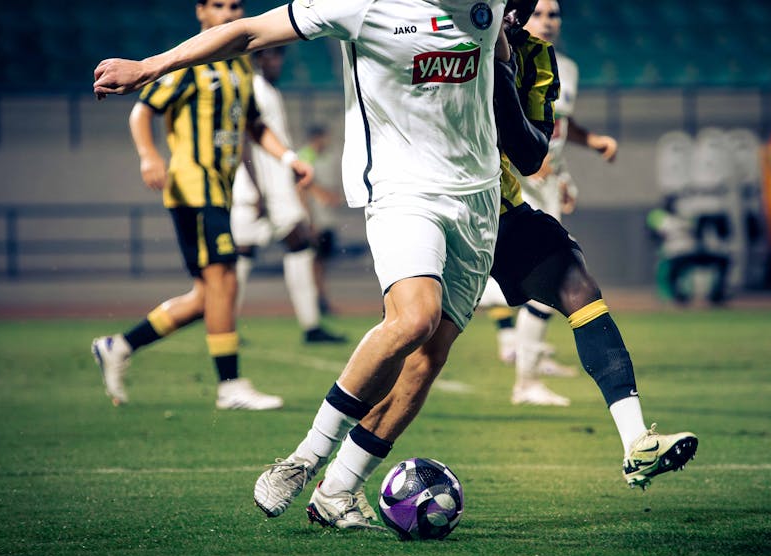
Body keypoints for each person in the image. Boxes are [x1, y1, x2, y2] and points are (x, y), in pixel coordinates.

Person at [250, 0, 698, 531]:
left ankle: (636, 441)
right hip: (422, 201)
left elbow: (532, 152)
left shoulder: (534, 57)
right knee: (416, 336)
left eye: (538, 8)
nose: (527, 12)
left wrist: (502, 67)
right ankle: (315, 463)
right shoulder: (438, 24)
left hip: (495, 208)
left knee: (569, 286)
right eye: (526, 6)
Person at [93, 0, 508, 528]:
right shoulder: (363, 6)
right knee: (414, 318)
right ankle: (304, 458)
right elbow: (246, 32)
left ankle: (338, 489)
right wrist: (152, 66)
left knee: (430, 357)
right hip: (404, 190)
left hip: (479, 195)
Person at [91, 0, 314, 410]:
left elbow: (253, 125)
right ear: (201, 12)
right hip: (194, 188)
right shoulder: (190, 63)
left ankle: (119, 345)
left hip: (219, 191)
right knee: (225, 281)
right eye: (219, 6)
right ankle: (230, 386)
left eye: (235, 6)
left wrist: (288, 159)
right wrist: (149, 155)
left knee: (207, 296)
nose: (229, 14)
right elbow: (143, 112)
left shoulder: (241, 66)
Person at [480, 0, 621, 407]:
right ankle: (525, 376)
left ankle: (526, 367)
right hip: (512, 179)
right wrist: (527, 163)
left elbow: (556, 124)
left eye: (553, 14)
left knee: (550, 280)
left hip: (546, 180)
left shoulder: (563, 65)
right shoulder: (491, 50)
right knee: (556, 276)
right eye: (538, 13)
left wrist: (578, 157)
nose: (546, 20)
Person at [230, 47, 345, 343]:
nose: (276, 62)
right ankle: (226, 326)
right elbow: (245, 137)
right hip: (259, 190)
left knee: (297, 245)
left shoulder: (269, 90)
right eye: (270, 56)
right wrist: (255, 188)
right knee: (243, 254)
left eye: (279, 56)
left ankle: (311, 325)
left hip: (274, 188)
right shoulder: (255, 88)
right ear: (258, 60)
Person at [297, 125, 345, 316]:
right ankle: (316, 301)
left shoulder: (329, 155)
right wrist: (310, 219)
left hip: (326, 218)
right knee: (313, 262)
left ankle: (321, 298)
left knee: (321, 262)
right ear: (316, 137)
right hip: (313, 218)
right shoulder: (306, 155)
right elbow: (302, 185)